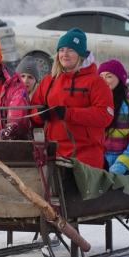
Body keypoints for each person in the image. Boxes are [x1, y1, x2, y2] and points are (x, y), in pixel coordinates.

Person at [30, 28, 114, 168]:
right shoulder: (48, 81)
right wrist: (40, 115)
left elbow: (105, 115)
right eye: (62, 50)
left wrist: (69, 113)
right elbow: (32, 112)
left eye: (70, 50)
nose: (65, 54)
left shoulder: (96, 82)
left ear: (81, 54)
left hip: (85, 157)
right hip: (53, 154)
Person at [98, 59, 129, 177]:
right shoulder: (96, 107)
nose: (104, 80)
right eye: (101, 76)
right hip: (100, 167)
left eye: (109, 76)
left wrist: (118, 168)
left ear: (120, 79)